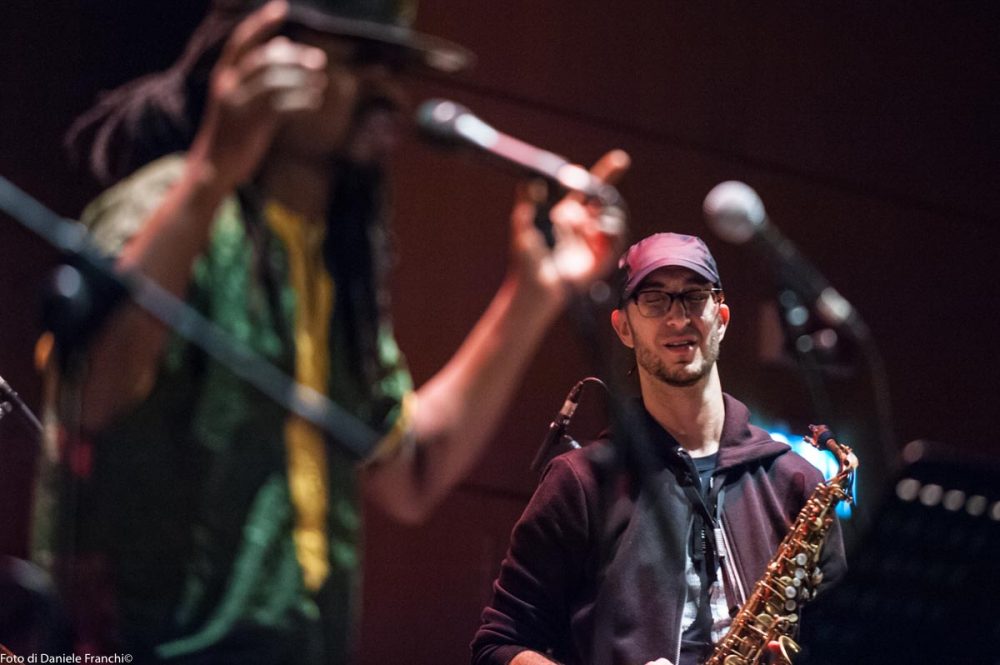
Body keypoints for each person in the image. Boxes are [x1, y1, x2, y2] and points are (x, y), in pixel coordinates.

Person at [32, 1, 629, 663]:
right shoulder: (168, 205)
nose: (388, 89)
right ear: (265, 60)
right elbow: (90, 395)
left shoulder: (329, 260)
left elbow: (412, 470)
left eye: (394, 66)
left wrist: (533, 295)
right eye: (359, 59)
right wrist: (213, 167)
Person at [470, 232, 847, 665]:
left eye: (694, 297)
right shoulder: (582, 482)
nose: (677, 317)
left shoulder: (796, 481)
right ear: (623, 327)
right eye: (654, 299)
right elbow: (498, 645)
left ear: (721, 318)